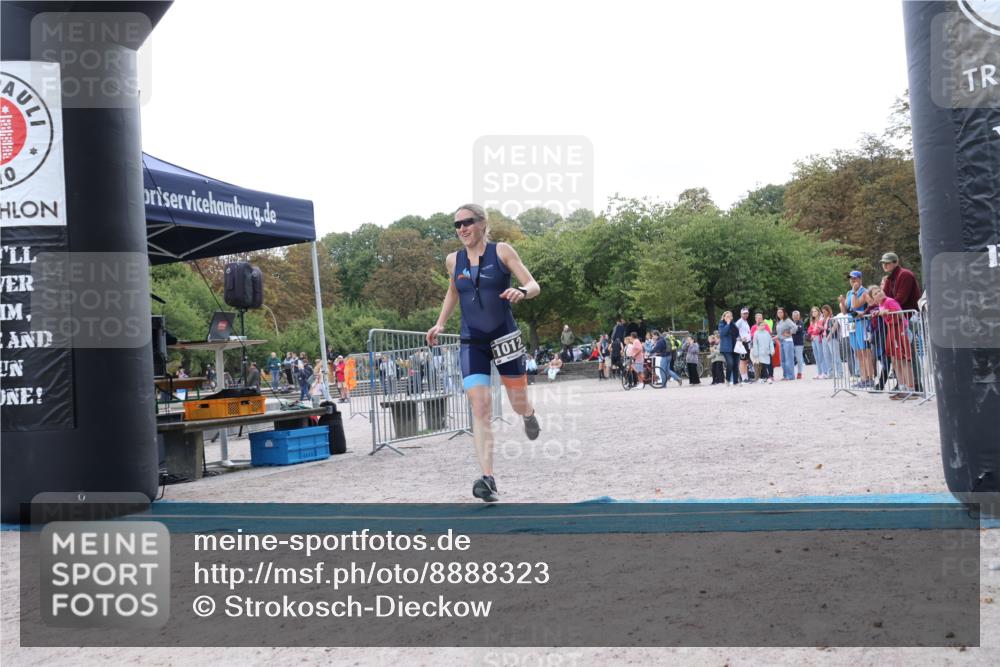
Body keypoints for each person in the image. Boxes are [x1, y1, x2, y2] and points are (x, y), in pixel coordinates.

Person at [426, 203, 541, 503]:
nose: (462, 228)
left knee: (517, 401)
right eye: (457, 224)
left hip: (504, 336)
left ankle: (528, 414)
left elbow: (533, 284)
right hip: (472, 340)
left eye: (467, 222)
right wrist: (439, 324)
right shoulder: (454, 260)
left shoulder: (502, 251)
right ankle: (488, 479)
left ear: (482, 223)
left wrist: (523, 292)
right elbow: (454, 291)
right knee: (479, 407)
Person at [839, 270, 875, 388]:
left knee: (865, 351)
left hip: (862, 323)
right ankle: (864, 378)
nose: (852, 281)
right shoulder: (849, 292)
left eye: (854, 279)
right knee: (858, 352)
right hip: (852, 324)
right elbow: (845, 311)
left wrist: (855, 293)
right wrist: (842, 303)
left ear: (860, 279)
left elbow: (855, 306)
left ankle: (870, 377)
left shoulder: (863, 292)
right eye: (850, 279)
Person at [718, 311, 740, 386]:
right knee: (730, 363)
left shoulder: (733, 324)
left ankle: (736, 381)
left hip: (735, 347)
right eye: (727, 316)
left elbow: (737, 333)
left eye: (730, 316)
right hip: (726, 348)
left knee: (736, 364)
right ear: (724, 317)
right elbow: (722, 333)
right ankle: (727, 379)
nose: (728, 318)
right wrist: (727, 324)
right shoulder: (721, 324)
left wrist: (731, 323)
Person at [775, 308, 797, 380]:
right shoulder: (780, 321)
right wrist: (774, 337)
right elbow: (780, 333)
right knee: (783, 360)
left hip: (787, 341)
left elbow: (795, 327)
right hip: (781, 341)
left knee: (789, 359)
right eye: (778, 313)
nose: (779, 314)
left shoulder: (787, 320)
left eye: (781, 312)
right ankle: (785, 375)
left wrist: (790, 333)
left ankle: (790, 376)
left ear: (784, 313)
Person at [751, 318, 775, 383]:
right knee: (762, 365)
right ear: (758, 326)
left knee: (766, 365)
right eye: (761, 325)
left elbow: (770, 342)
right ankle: (767, 377)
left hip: (767, 352)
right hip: (759, 353)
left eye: (764, 325)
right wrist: (755, 353)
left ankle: (763, 377)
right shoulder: (756, 333)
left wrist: (772, 350)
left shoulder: (767, 333)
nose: (763, 326)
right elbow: (755, 344)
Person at [807, 307, 828, 379]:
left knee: (821, 355)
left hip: (818, 338)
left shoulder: (821, 319)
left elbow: (818, 330)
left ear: (818, 312)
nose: (814, 313)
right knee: (816, 356)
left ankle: (824, 372)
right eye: (812, 312)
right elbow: (809, 330)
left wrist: (813, 332)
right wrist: (812, 332)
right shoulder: (812, 321)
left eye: (815, 311)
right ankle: (819, 372)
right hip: (813, 339)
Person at [735, 308, 752, 383]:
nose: (746, 315)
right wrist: (739, 338)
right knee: (742, 361)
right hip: (742, 343)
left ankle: (746, 377)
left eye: (747, 313)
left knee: (745, 361)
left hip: (747, 343)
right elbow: (733, 330)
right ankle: (743, 378)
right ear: (741, 314)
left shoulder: (745, 321)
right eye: (744, 313)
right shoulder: (740, 321)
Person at [791, 310, 806, 379]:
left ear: (799, 316)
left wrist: (791, 331)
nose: (795, 317)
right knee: (791, 358)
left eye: (797, 315)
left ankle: (799, 373)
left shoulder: (801, 323)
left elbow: (797, 330)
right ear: (792, 316)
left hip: (799, 343)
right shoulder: (791, 323)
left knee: (799, 359)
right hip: (790, 343)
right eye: (794, 315)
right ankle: (792, 373)